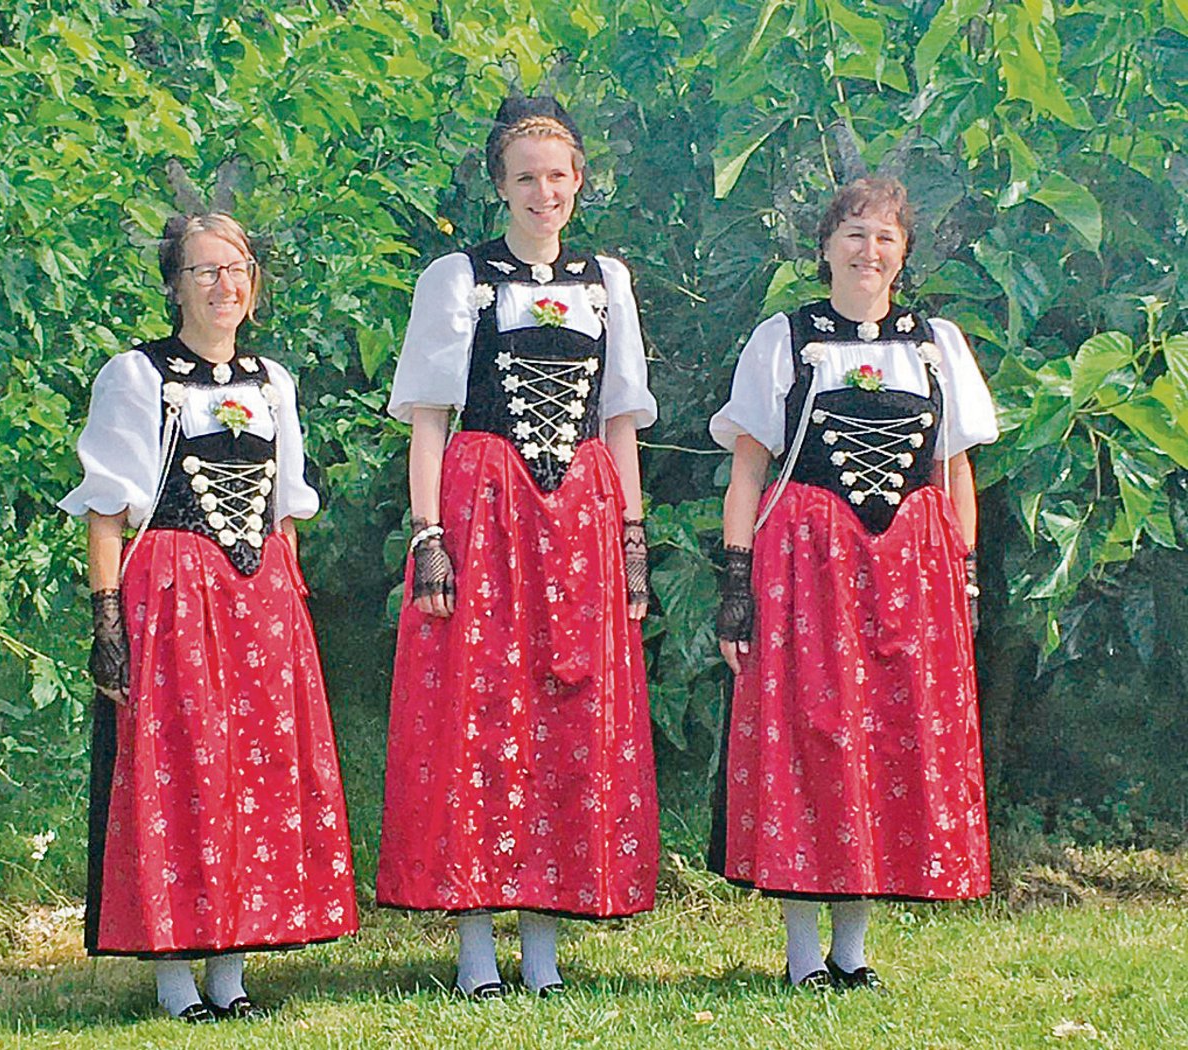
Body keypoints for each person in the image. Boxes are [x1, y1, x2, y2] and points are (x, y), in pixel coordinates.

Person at [375, 96, 660, 998]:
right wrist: (429, 535)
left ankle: (543, 945)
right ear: (500, 185)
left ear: (579, 183)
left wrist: (634, 539)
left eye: (559, 176)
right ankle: (474, 952)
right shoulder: (457, 278)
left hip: (577, 509)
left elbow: (620, 421)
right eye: (527, 177)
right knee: (477, 710)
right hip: (484, 502)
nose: (545, 192)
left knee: (564, 712)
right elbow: (428, 420)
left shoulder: (606, 280)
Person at [60, 213, 358, 1021]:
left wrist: (287, 606)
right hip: (174, 587)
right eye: (205, 271)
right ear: (174, 286)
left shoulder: (272, 383)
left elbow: (285, 509)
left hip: (258, 594)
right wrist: (107, 621)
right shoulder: (137, 377)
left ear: (254, 285)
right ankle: (171, 979)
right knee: (181, 771)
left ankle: (230, 976)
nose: (225, 286)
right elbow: (107, 513)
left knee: (253, 773)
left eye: (238, 270)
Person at [707, 176, 998, 989]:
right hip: (808, 564)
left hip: (908, 570)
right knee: (812, 741)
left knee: (883, 745)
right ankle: (803, 957)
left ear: (905, 254)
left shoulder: (935, 343)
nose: (869, 252)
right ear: (826, 244)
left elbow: (956, 470)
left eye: (886, 239)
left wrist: (964, 577)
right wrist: (737, 581)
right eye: (855, 234)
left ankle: (853, 951)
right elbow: (748, 473)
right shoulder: (786, 338)